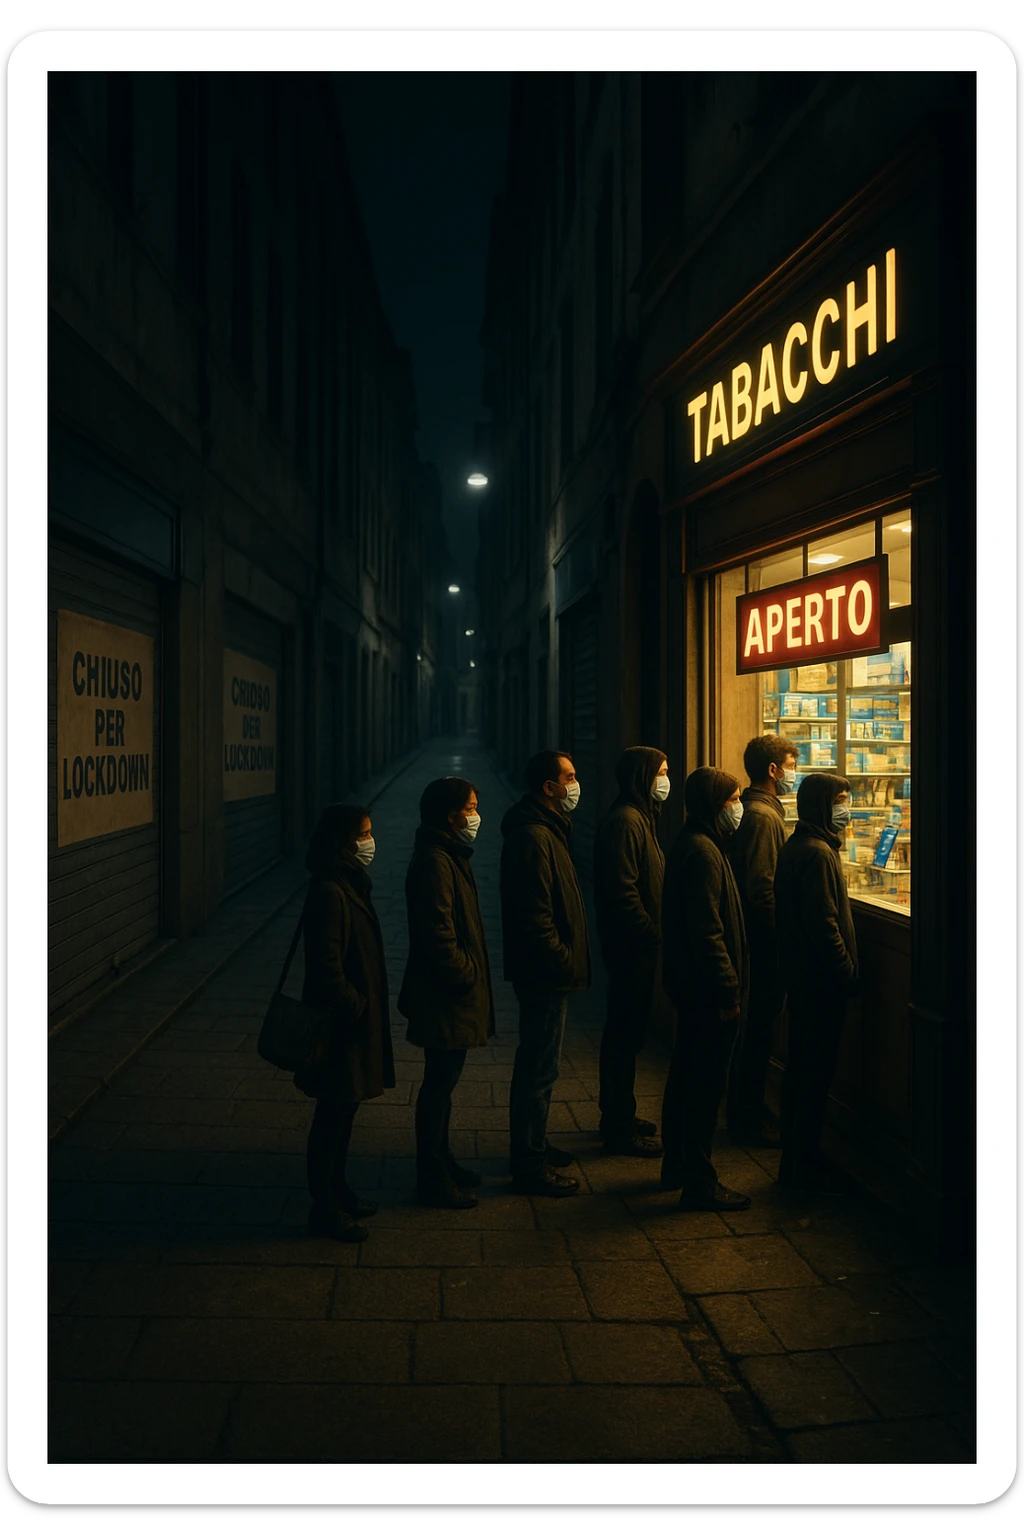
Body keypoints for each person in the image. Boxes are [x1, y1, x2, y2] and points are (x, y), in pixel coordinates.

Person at [295, 803, 395, 1242]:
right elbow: (325, 968)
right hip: (340, 1027)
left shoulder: (347, 882)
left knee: (345, 1110)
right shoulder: (331, 892)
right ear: (342, 841)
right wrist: (355, 1003)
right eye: (363, 835)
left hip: (352, 1024)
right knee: (332, 1115)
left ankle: (338, 1188)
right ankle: (325, 1207)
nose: (370, 843)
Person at [398, 776, 496, 1210]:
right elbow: (438, 933)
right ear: (451, 815)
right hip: (444, 994)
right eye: (470, 808)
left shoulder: (447, 853)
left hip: (446, 992)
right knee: (438, 1086)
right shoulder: (436, 861)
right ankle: (432, 1175)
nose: (475, 815)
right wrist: (464, 974)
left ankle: (443, 1160)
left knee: (444, 1083)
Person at [500, 749, 591, 1197]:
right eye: (569, 777)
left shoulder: (548, 827)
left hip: (544, 969)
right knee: (538, 1067)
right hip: (542, 972)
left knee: (543, 1065)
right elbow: (535, 914)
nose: (576, 784)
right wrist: (559, 958)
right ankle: (529, 1164)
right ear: (548, 787)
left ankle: (533, 1144)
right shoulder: (534, 836)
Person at [660, 766, 751, 1212]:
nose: (740, 808)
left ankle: (675, 1164)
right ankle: (699, 1179)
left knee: (685, 1077)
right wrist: (728, 990)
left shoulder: (699, 843)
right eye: (734, 799)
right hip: (707, 993)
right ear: (718, 805)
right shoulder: (702, 852)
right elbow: (708, 932)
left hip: (692, 988)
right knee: (704, 1086)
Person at [774, 772, 859, 1194]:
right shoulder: (818, 854)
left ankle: (794, 1160)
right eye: (842, 799)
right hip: (820, 983)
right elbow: (825, 924)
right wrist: (845, 970)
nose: (847, 807)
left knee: (800, 1071)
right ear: (824, 805)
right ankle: (803, 1167)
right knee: (814, 1075)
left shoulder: (799, 846)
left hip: (801, 978)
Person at [725, 734, 800, 1148]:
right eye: (792, 762)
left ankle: (747, 1109)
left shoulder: (760, 811)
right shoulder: (762, 817)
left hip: (757, 942)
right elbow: (762, 888)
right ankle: (746, 1116)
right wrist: (776, 944)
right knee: (756, 1032)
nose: (794, 771)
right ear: (773, 770)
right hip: (761, 945)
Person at [593, 745, 668, 1157]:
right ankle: (618, 1126)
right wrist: (650, 931)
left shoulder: (640, 816)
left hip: (637, 945)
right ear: (642, 776)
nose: (665, 780)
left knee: (628, 1034)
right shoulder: (626, 821)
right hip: (630, 947)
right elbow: (622, 891)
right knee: (623, 1036)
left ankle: (621, 1112)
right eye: (661, 772)